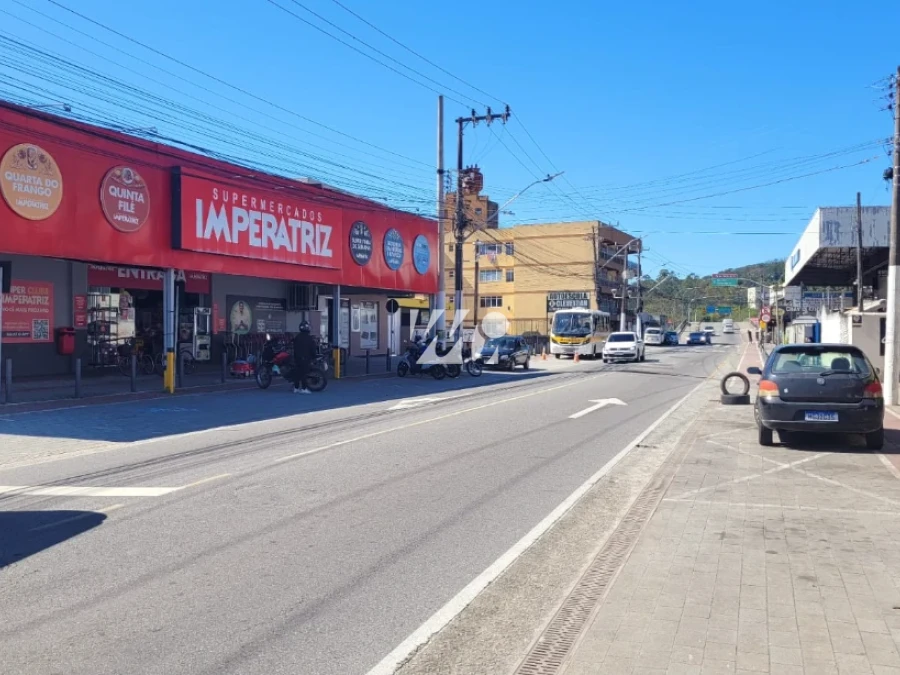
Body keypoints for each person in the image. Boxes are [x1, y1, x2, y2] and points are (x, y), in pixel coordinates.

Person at [292, 321, 318, 394]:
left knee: (297, 372)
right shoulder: (309, 338)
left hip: (297, 358)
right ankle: (304, 388)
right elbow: (313, 349)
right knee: (304, 373)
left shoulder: (297, 337)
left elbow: (294, 348)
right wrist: (314, 356)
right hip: (306, 358)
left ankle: (296, 388)